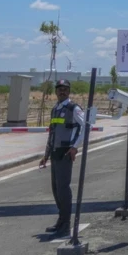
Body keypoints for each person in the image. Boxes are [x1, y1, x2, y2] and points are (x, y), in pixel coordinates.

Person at [39, 79, 84, 235]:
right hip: (55, 153)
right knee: (56, 189)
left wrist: (75, 147)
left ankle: (65, 224)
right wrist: (46, 154)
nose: (62, 91)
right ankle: (61, 220)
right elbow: (52, 133)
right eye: (59, 89)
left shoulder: (74, 108)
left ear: (69, 91)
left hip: (65, 152)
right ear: (55, 92)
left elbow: (86, 127)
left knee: (63, 189)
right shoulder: (55, 109)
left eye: (65, 89)